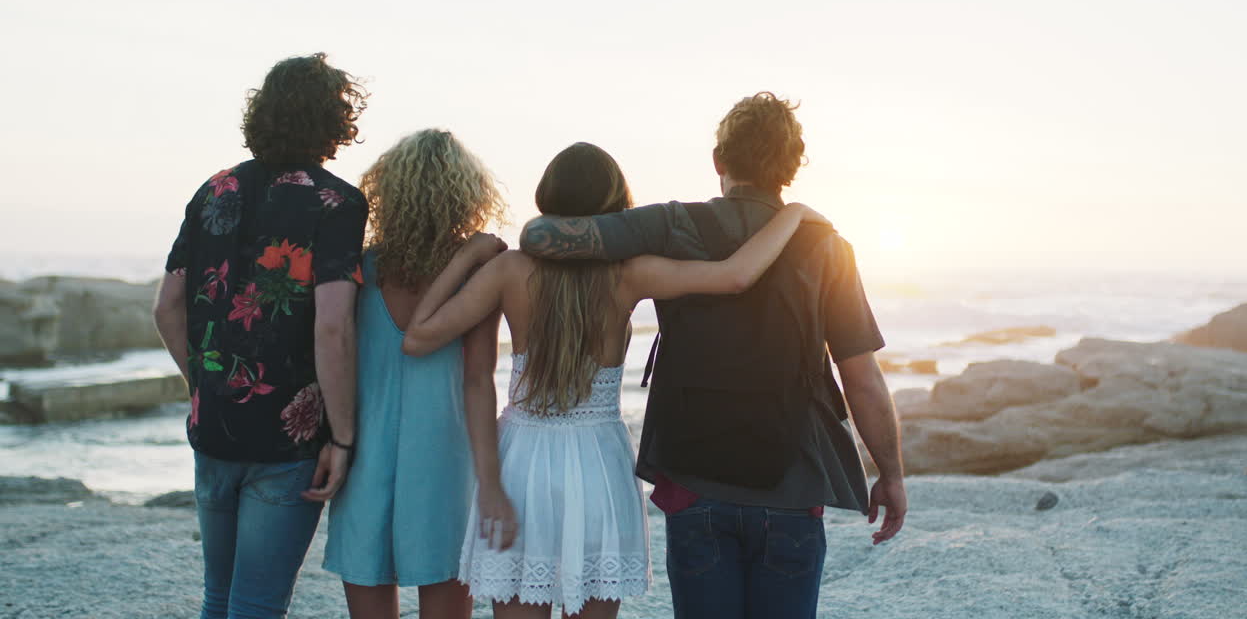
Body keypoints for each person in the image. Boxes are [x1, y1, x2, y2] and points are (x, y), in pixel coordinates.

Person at [518, 93, 907, 619]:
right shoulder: (827, 247)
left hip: (695, 482)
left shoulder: (671, 224)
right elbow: (860, 374)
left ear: (719, 160)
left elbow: (540, 235)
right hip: (790, 486)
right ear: (791, 167)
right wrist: (891, 473)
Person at [400, 142, 824, 619]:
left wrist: (468, 255)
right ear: (615, 207)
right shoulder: (628, 273)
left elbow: (418, 338)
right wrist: (793, 215)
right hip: (597, 462)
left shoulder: (508, 269)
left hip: (521, 464)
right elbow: (736, 276)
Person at [152, 53, 369, 619]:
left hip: (212, 427)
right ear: (334, 120)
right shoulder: (338, 202)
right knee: (256, 604)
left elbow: (167, 306)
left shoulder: (215, 190)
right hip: (285, 443)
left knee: (218, 598)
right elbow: (332, 324)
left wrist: (201, 381)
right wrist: (343, 439)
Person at [322, 129, 507, 619]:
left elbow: (331, 349)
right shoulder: (476, 275)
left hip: (364, 448)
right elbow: (478, 380)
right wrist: (489, 480)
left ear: (388, 192)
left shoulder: (357, 268)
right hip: (445, 456)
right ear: (466, 197)